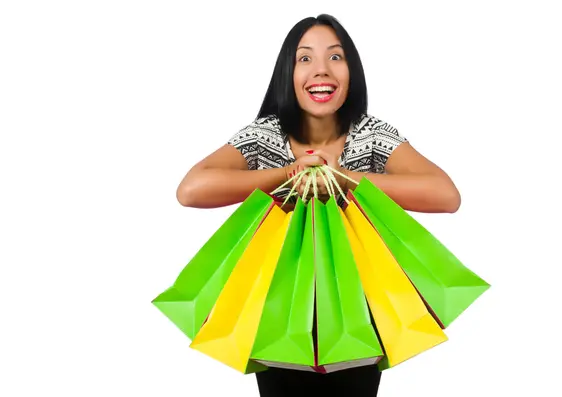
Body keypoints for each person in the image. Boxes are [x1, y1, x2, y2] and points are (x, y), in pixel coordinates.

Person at [175, 13, 461, 397]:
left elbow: (446, 194)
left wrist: (345, 176)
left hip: (360, 308)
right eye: (305, 58)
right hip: (276, 305)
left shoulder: (370, 134)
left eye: (336, 57)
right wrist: (288, 173)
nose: (321, 71)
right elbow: (191, 190)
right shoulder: (267, 135)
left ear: (352, 71)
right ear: (287, 74)